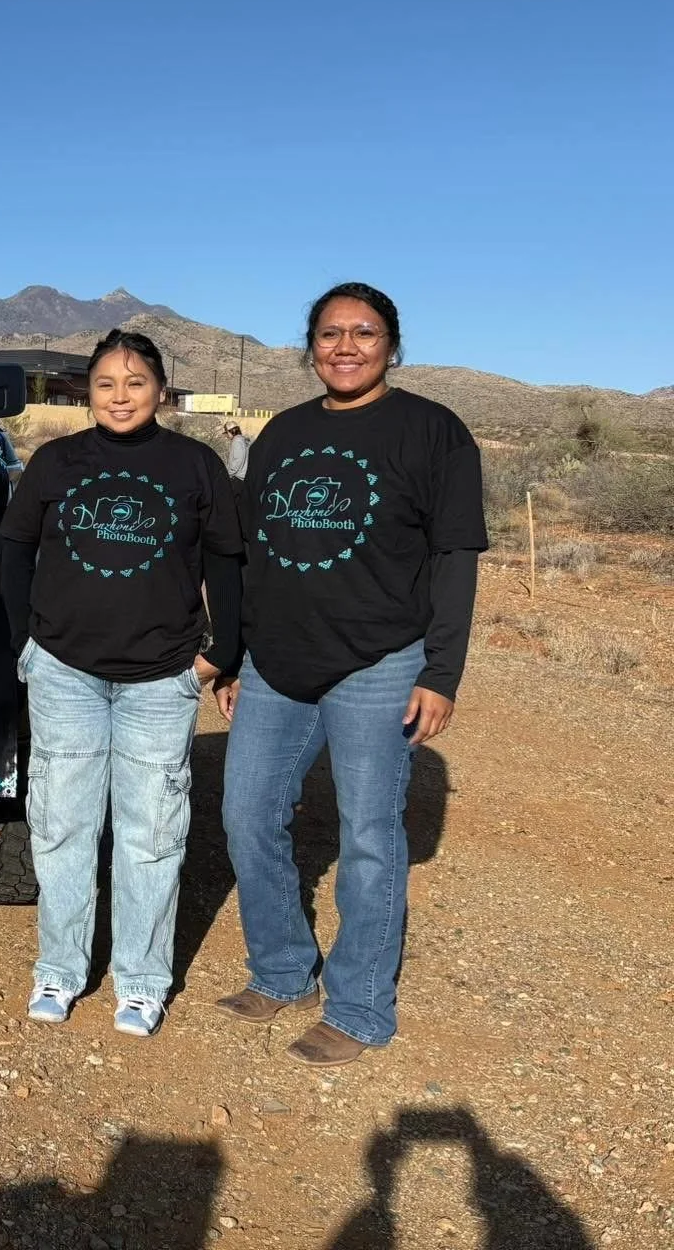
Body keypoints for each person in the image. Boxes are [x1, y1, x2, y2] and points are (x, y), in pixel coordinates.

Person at [215, 282, 487, 1066]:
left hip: (380, 661)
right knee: (245, 814)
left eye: (363, 333)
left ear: (391, 345)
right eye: (330, 334)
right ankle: (280, 972)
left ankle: (360, 1008)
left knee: (369, 836)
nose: (345, 346)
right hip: (277, 663)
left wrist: (442, 671)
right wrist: (237, 654)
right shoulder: (281, 436)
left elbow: (454, 556)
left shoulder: (434, 432)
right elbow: (254, 555)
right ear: (310, 347)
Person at [0, 330, 244, 1036]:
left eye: (136, 383)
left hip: (160, 679)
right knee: (62, 824)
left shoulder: (195, 466)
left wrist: (219, 652)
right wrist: (24, 642)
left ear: (161, 391)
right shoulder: (56, 462)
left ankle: (141, 980)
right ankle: (60, 968)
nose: (121, 395)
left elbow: (226, 562)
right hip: (65, 674)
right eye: (106, 383)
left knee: (151, 832)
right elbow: (15, 548)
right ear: (87, 392)